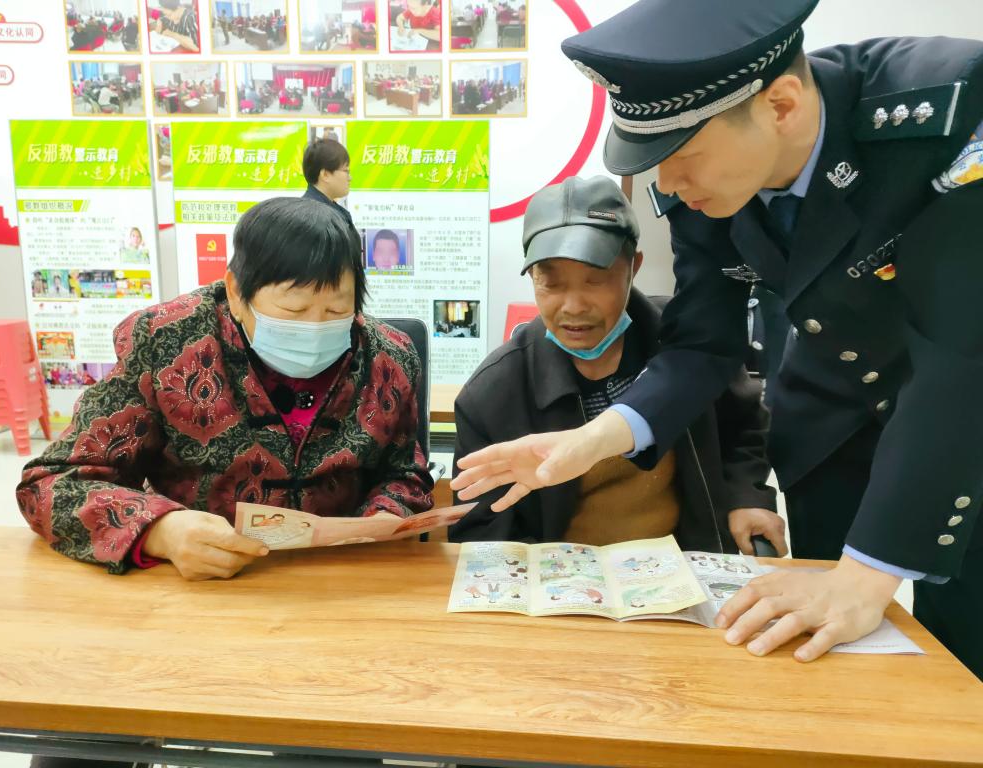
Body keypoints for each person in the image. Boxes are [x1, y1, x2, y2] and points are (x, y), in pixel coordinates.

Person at [452, 0, 983, 678]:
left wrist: (866, 578)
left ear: (781, 105)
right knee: (820, 651)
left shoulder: (946, 115)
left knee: (963, 638)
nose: (667, 184)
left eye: (681, 156)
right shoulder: (706, 183)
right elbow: (704, 343)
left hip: (963, 406)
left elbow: (960, 355)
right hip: (832, 420)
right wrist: (591, 441)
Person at [16, 198, 433, 590]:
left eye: (337, 310)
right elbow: (51, 484)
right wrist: (161, 531)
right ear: (235, 291)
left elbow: (405, 474)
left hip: (343, 584)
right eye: (293, 310)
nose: (314, 327)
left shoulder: (387, 357)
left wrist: (386, 516)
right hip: (203, 585)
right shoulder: (165, 343)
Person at [449, 176, 783, 554]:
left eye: (596, 280)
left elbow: (746, 427)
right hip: (562, 576)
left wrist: (747, 497)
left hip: (683, 562)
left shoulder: (691, 349)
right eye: (551, 284)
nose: (574, 306)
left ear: (633, 267)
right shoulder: (492, 393)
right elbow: (481, 529)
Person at [301, 139, 353, 226]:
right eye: (346, 171)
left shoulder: (326, 211)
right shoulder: (316, 219)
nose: (350, 178)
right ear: (325, 175)